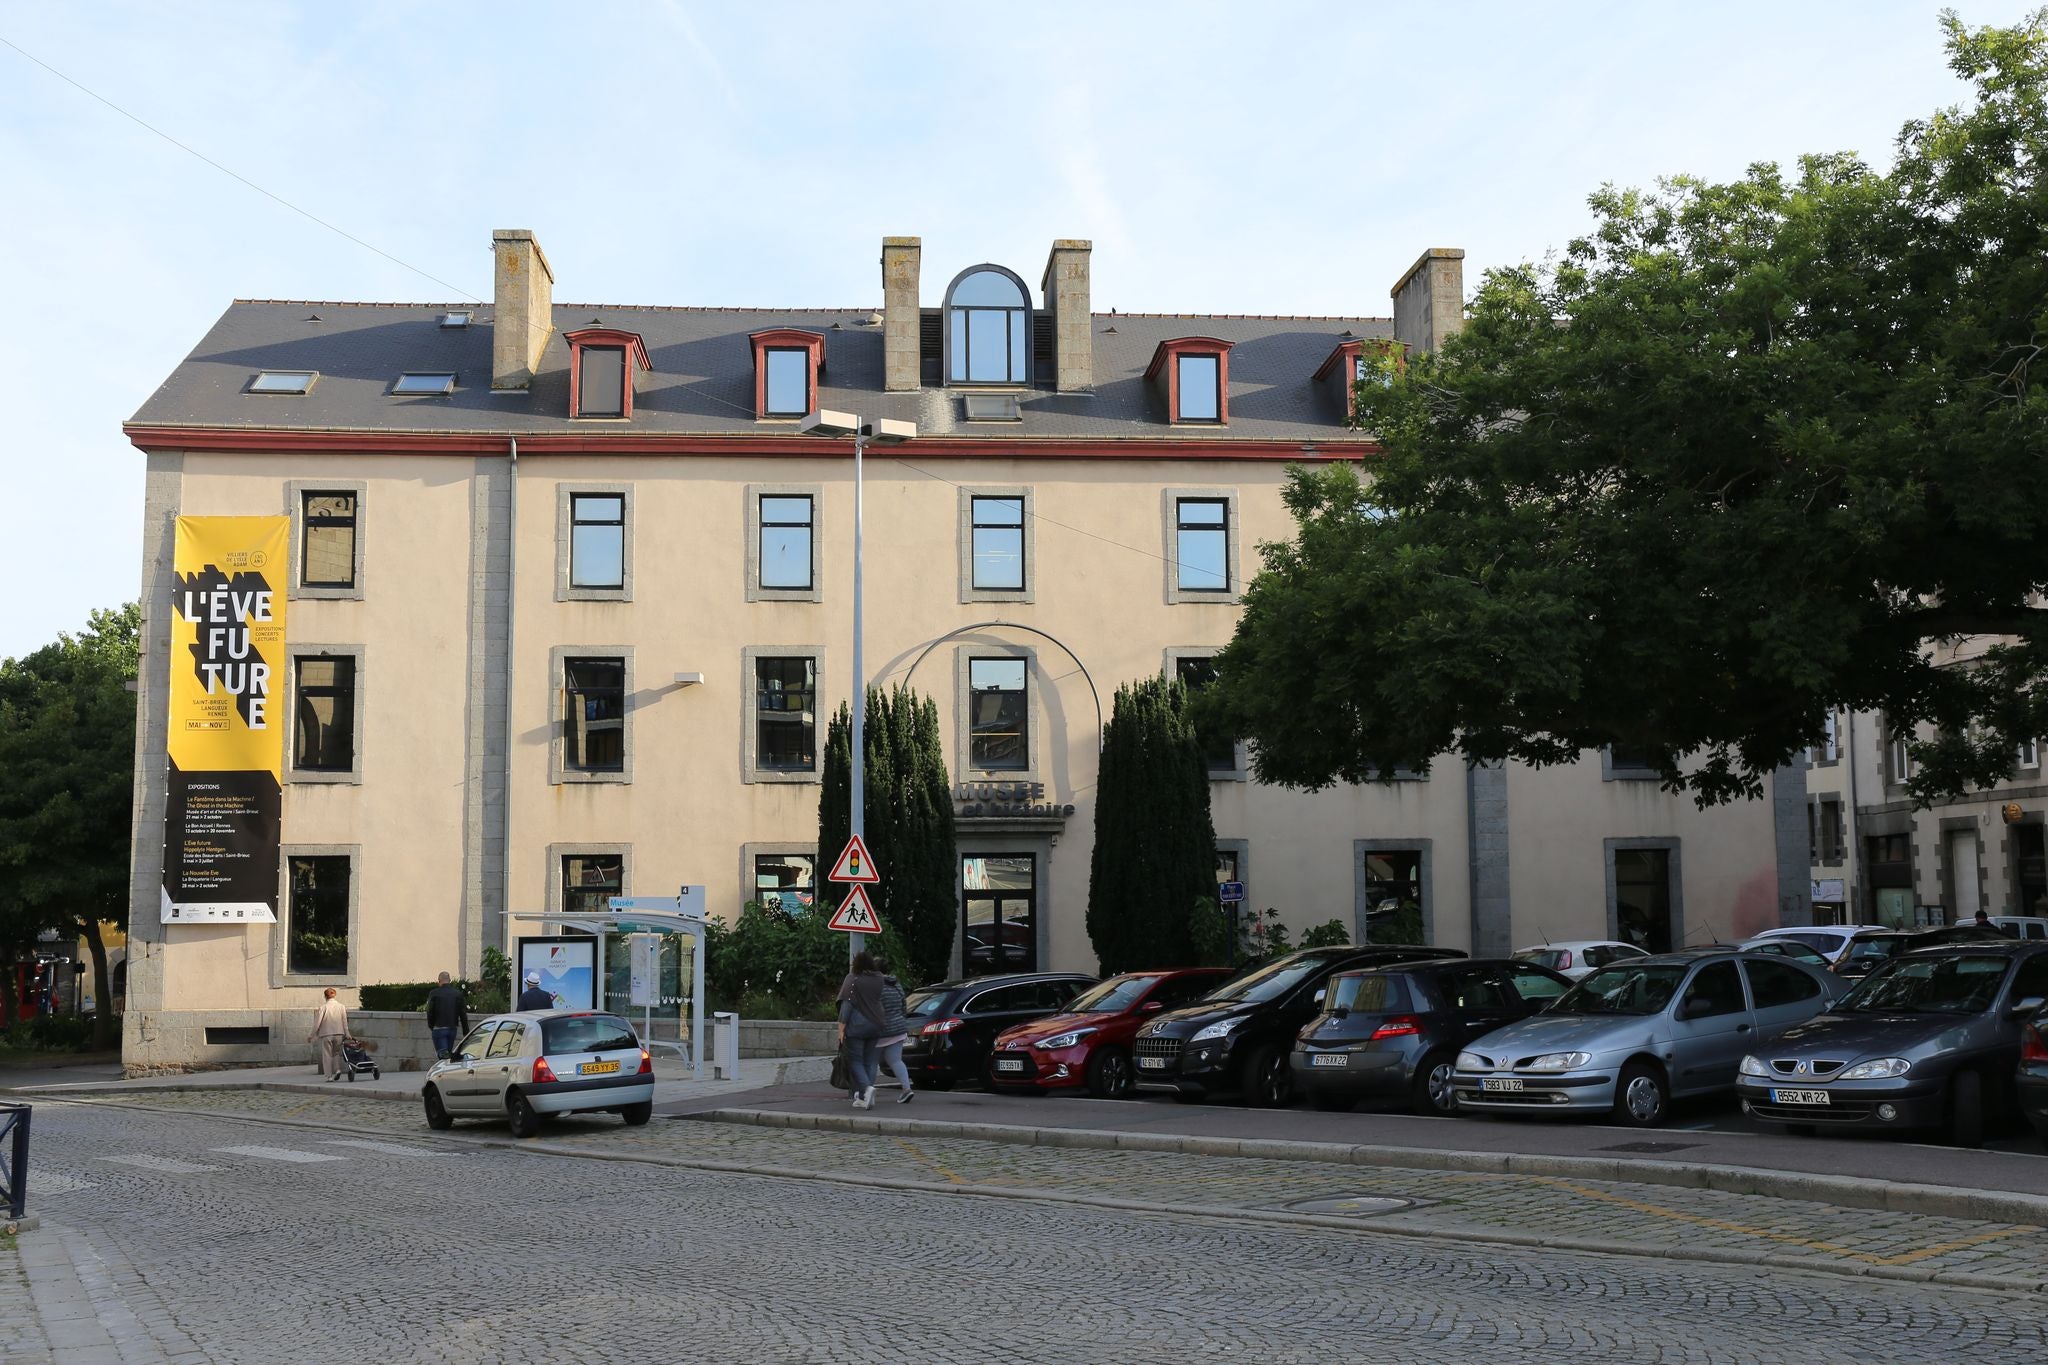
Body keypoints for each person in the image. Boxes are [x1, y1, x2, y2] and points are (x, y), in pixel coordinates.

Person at [836, 951, 888, 1109]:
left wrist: (841, 1030)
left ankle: (866, 1090)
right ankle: (865, 1097)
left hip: (857, 1026)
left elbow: (847, 1005)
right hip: (876, 1023)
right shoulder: (879, 979)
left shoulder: (852, 979)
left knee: (855, 1061)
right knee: (869, 1062)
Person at [873, 957, 915, 1105]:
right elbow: (904, 1006)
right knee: (895, 1060)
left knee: (871, 1062)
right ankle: (906, 1089)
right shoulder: (896, 983)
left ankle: (867, 1092)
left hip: (881, 1031)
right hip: (898, 1028)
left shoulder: (875, 986)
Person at [308, 986, 349, 1081]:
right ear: (335, 995)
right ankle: (337, 1070)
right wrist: (347, 1033)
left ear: (325, 996)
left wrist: (311, 1035)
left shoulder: (323, 1007)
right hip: (339, 1033)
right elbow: (344, 1021)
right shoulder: (341, 1006)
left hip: (326, 1034)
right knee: (336, 1053)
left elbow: (317, 1023)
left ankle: (329, 1076)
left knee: (327, 1054)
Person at [425, 971, 468, 1060]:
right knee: (448, 1055)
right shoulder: (457, 994)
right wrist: (465, 1031)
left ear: (439, 981)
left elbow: (430, 1011)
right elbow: (463, 1014)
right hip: (452, 1028)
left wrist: (431, 1025)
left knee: (443, 1056)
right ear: (449, 980)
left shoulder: (434, 993)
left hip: (439, 1028)